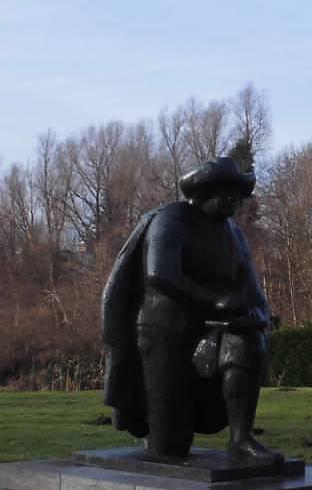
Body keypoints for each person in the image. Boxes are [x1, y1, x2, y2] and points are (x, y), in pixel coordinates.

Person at [101, 157, 279, 461]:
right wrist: (215, 300)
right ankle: (159, 430)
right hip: (164, 332)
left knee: (247, 343)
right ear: (203, 193)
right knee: (169, 447)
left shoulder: (233, 233)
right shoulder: (171, 219)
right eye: (225, 192)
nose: (233, 200)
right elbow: (160, 274)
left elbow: (250, 282)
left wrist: (259, 314)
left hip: (214, 327)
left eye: (236, 193)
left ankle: (241, 438)